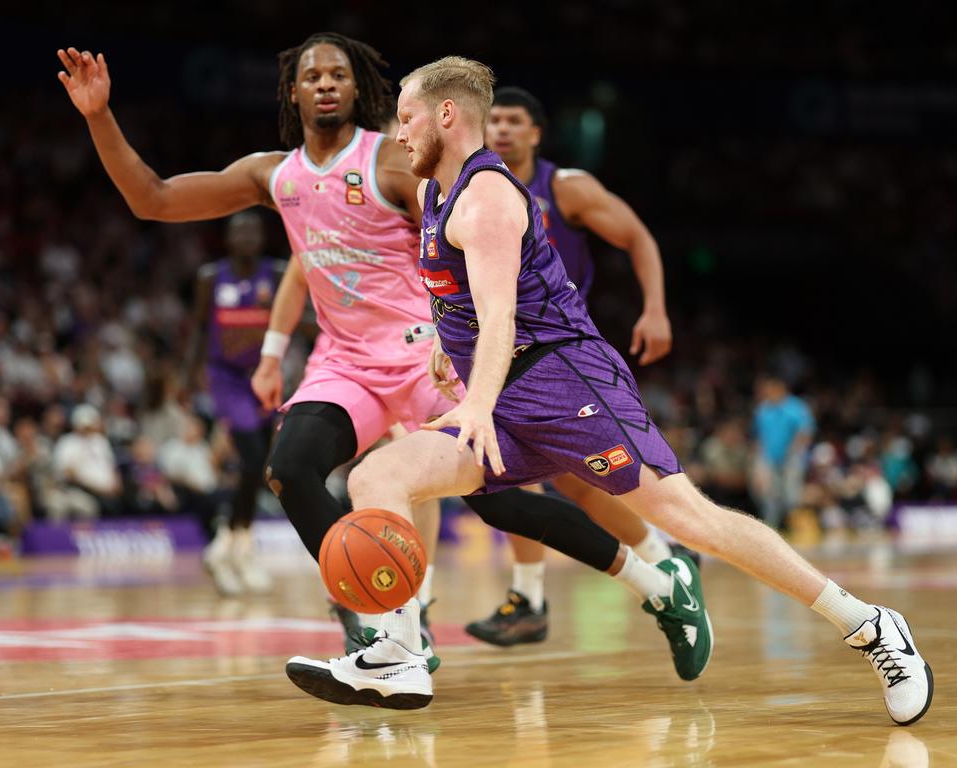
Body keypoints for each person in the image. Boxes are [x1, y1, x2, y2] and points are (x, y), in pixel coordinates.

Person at [285, 56, 934, 726]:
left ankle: (872, 626)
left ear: (447, 114)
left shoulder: (485, 199)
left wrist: (473, 402)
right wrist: (456, 361)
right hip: (503, 398)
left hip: (564, 383)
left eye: (409, 116)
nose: (399, 133)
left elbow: (503, 316)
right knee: (378, 479)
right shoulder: (435, 194)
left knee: (694, 522)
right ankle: (397, 652)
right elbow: (463, 303)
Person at [56, 36, 645, 669]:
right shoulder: (273, 174)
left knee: (497, 497)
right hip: (347, 364)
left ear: (357, 89)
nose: (327, 83)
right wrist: (98, 116)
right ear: (294, 92)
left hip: (426, 354)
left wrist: (470, 329)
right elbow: (155, 199)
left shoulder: (393, 161)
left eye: (339, 74)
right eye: (313, 76)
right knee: (290, 467)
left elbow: (464, 233)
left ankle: (654, 582)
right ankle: (374, 623)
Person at [465, 86, 679, 646]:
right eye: (495, 121)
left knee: (588, 482)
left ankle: (665, 559)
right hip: (494, 348)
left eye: (515, 121)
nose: (503, 130)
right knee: (513, 470)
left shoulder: (565, 188)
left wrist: (654, 309)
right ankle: (535, 596)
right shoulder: (466, 190)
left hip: (560, 350)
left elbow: (638, 237)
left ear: (536, 133)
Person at [183, 212, 285, 595]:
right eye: (238, 230)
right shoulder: (211, 277)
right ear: (226, 238)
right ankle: (237, 546)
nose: (245, 235)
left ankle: (229, 543)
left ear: (262, 236)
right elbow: (197, 327)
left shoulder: (275, 274)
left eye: (252, 229)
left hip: (263, 375)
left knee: (261, 465)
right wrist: (185, 376)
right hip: (226, 378)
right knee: (253, 456)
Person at [750, 373, 815, 528]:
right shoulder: (763, 410)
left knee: (791, 495)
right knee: (769, 494)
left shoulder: (796, 407)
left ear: (780, 389)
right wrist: (759, 462)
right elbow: (758, 437)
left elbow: (805, 433)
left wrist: (794, 453)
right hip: (769, 459)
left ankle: (795, 526)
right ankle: (772, 528)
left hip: (791, 457)